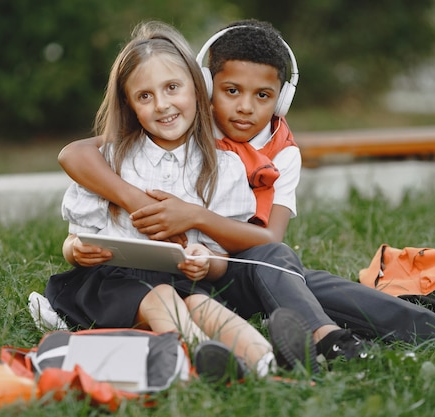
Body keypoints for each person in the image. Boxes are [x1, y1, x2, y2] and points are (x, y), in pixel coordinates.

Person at [56, 20, 435, 368]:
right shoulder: (181, 123)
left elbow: (269, 241)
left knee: (292, 271)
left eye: (261, 96)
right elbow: (77, 153)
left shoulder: (276, 155)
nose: (243, 107)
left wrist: (191, 216)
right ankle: (305, 341)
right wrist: (136, 203)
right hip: (191, 270)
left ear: (280, 99)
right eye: (230, 92)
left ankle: (431, 333)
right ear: (207, 89)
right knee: (292, 276)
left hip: (236, 259)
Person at [40, 20, 314, 382]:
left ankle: (268, 362)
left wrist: (205, 263)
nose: (162, 105)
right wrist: (77, 251)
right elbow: (75, 242)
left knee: (202, 303)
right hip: (110, 283)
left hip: (185, 281)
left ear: (198, 89)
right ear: (130, 105)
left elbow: (218, 259)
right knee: (164, 297)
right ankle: (196, 354)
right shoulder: (111, 160)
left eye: (172, 88)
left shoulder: (225, 168)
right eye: (145, 96)